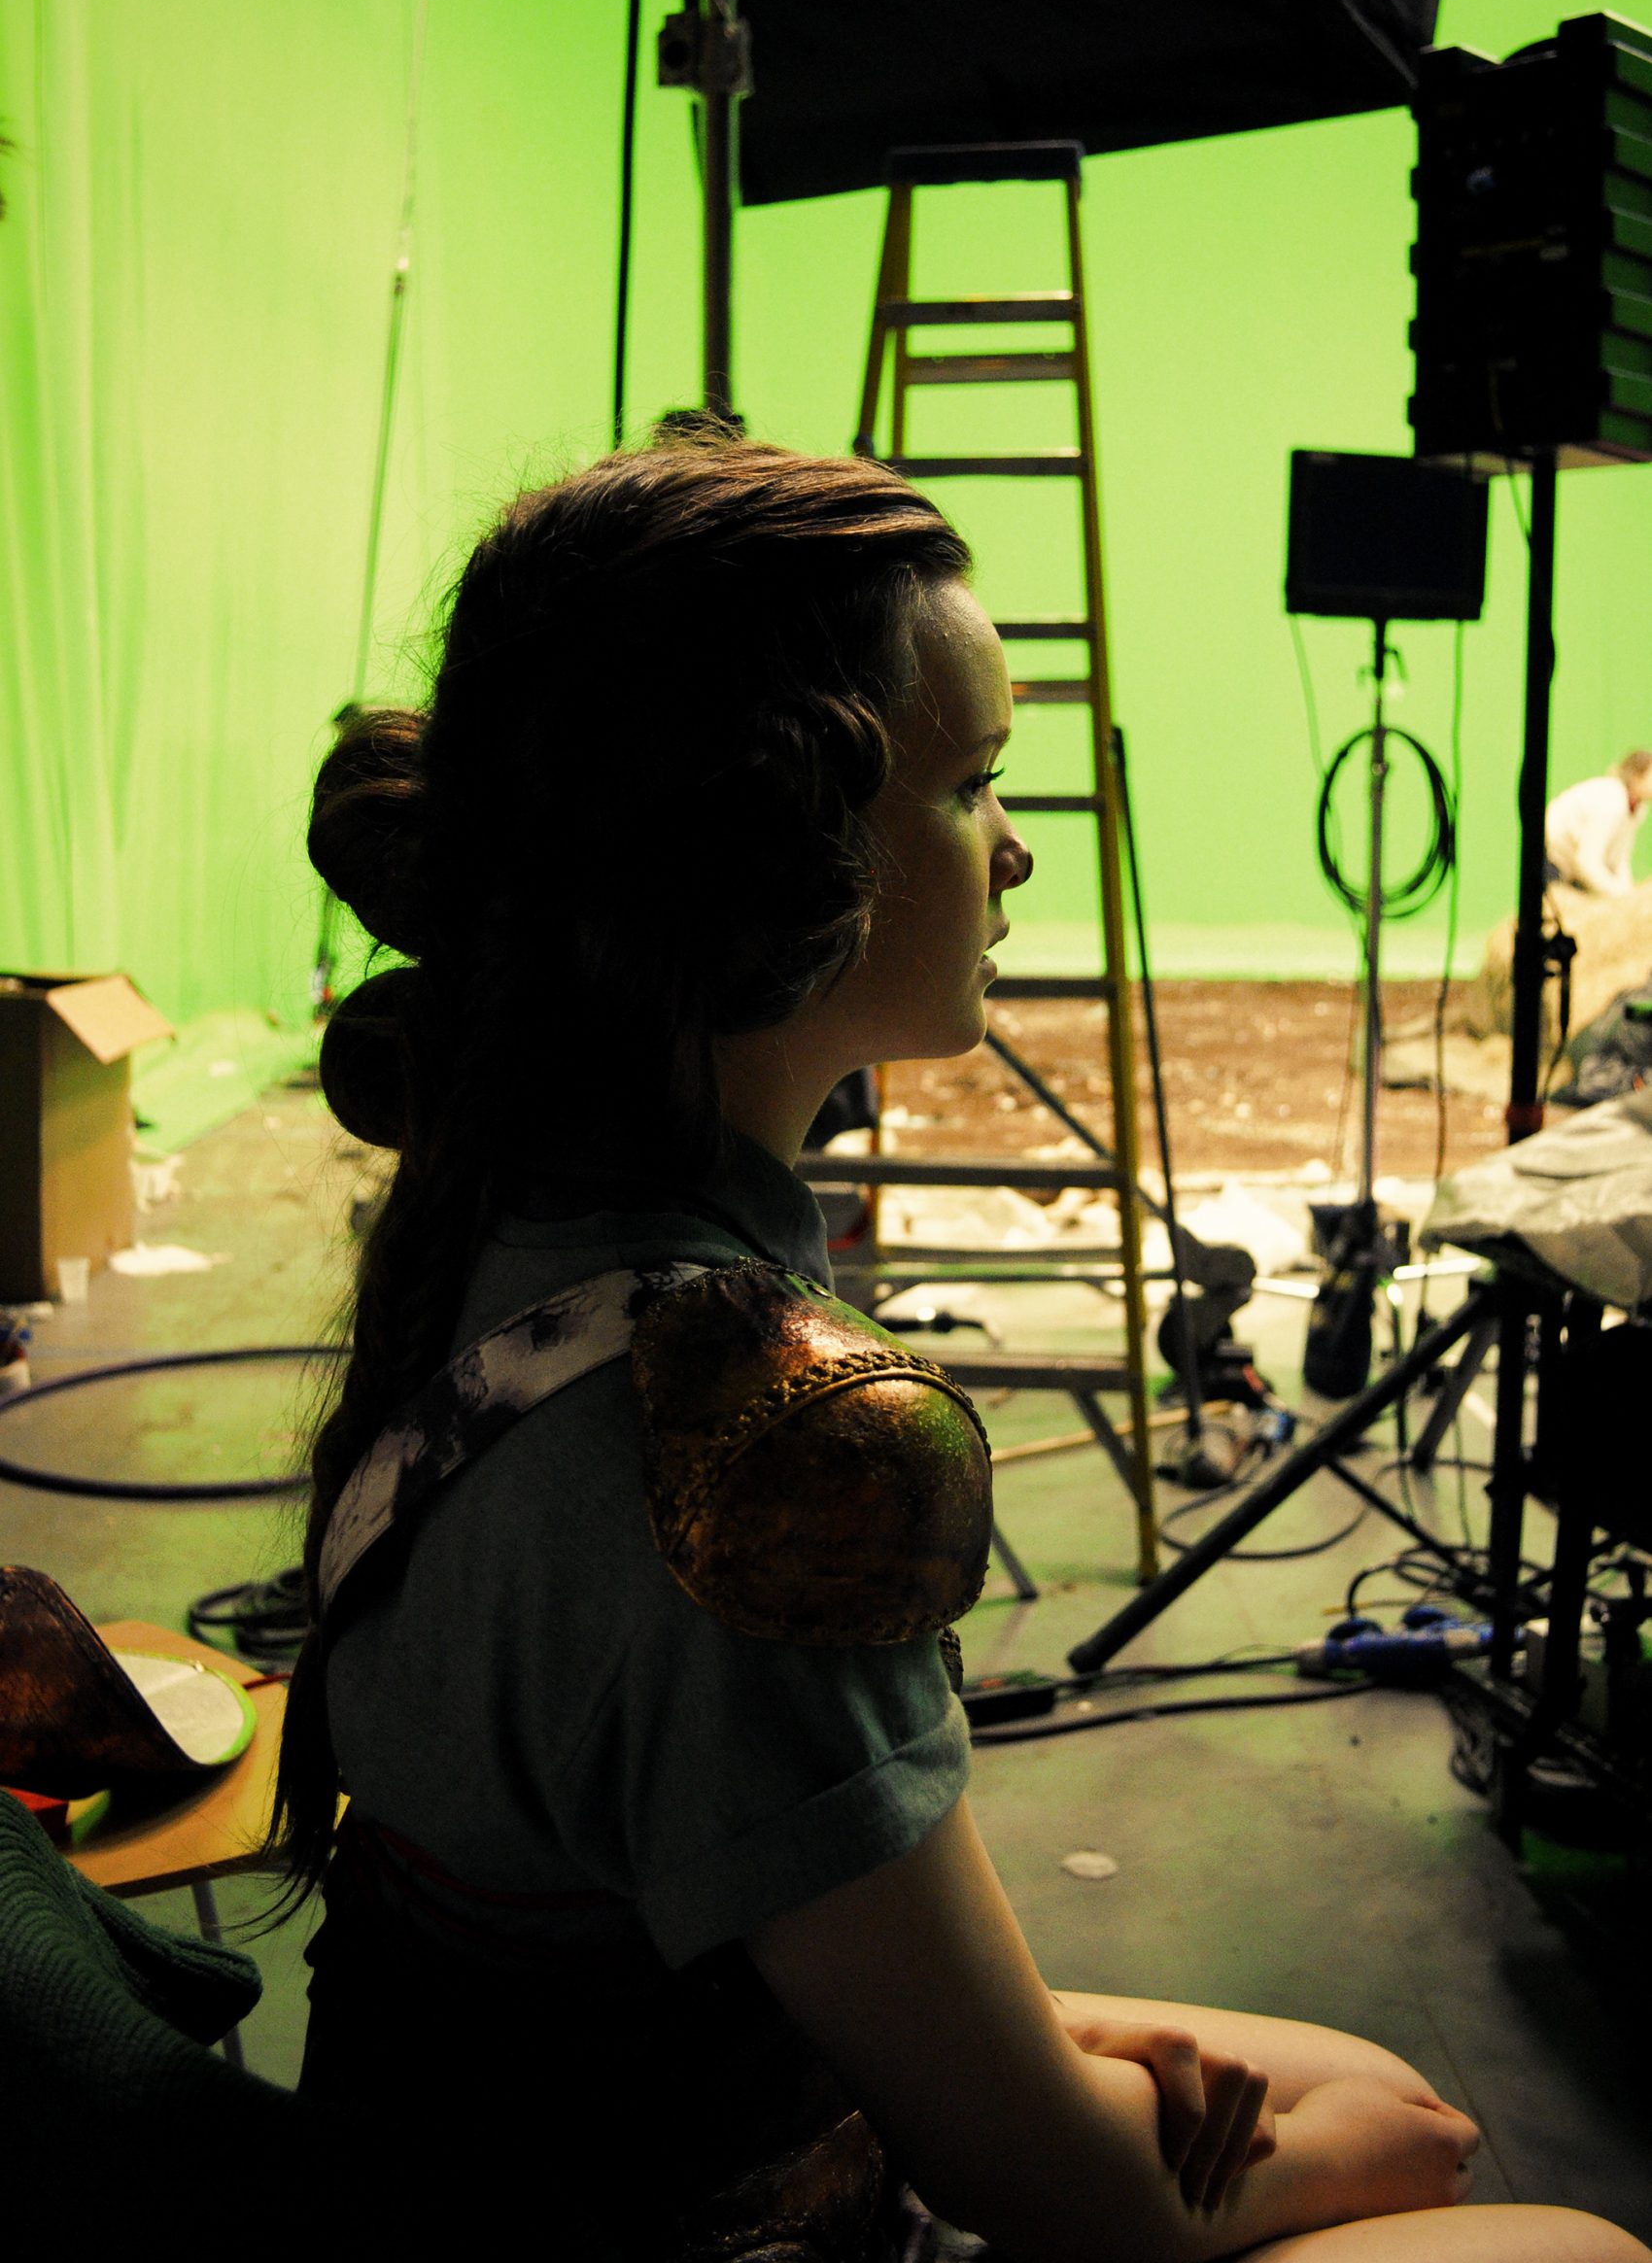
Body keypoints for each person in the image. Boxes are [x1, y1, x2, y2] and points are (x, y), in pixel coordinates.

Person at [253, 430, 1647, 2263]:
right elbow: (1061, 2193)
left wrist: (1073, 2057)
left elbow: (685, 1946)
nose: (1018, 847)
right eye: (974, 782)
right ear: (767, 853)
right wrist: (1347, 2158)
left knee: (1341, 2085)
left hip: (555, 2145)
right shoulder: (780, 1446)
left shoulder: (493, 1229)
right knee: (1521, 2207)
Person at [1544, 751, 1652, 895]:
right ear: (1636, 777)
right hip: (1550, 857)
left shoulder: (1638, 809)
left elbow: (1619, 859)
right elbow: (1587, 861)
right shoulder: (1612, 801)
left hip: (1573, 867)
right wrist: (1621, 896)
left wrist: (1628, 894)